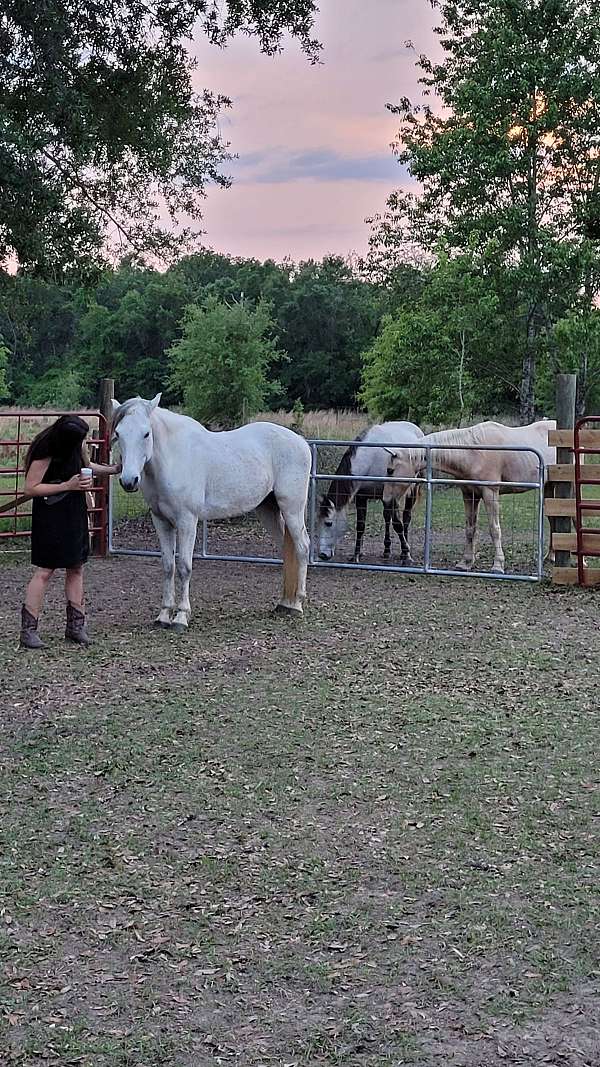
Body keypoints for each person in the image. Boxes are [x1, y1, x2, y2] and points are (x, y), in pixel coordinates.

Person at [19, 415, 121, 649]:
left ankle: (76, 626)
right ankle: (28, 630)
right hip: (50, 512)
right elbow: (31, 487)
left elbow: (86, 467)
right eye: (78, 439)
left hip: (74, 509)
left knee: (76, 567)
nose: (81, 443)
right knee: (45, 570)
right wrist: (67, 485)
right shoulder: (45, 449)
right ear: (66, 437)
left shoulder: (77, 443)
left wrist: (113, 469)